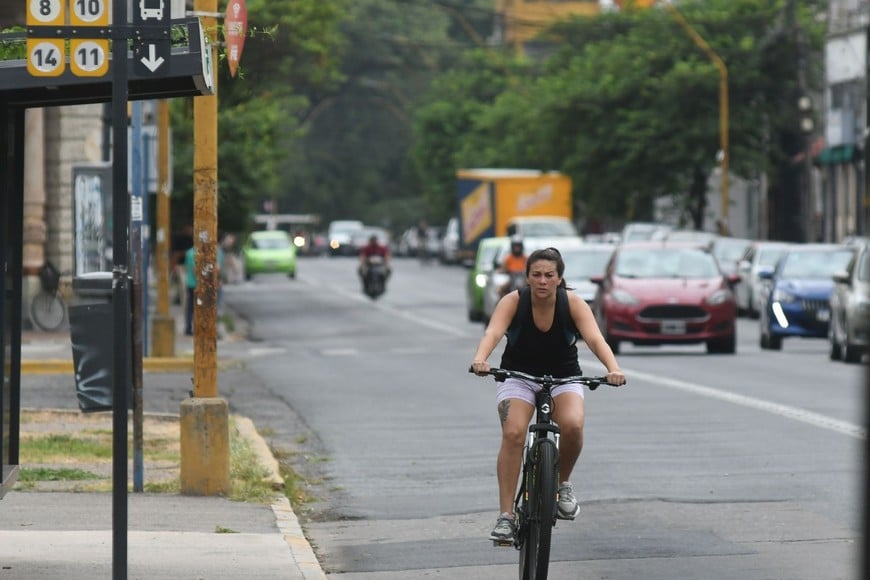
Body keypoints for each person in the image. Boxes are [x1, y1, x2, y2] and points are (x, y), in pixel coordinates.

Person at [470, 247, 626, 544]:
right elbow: (492, 333)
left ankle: (562, 484)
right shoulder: (513, 301)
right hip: (519, 376)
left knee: (573, 425)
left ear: (560, 278)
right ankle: (506, 516)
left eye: (549, 275)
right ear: (527, 277)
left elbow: (595, 338)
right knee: (514, 433)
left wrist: (613, 368)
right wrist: (481, 359)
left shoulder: (574, 304)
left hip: (563, 377)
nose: (543, 281)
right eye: (537, 275)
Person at [184, 244, 224, 336]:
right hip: (201, 284)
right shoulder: (207, 252)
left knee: (191, 307)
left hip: (191, 284)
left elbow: (190, 268)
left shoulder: (190, 252)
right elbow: (196, 270)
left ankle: (189, 327)